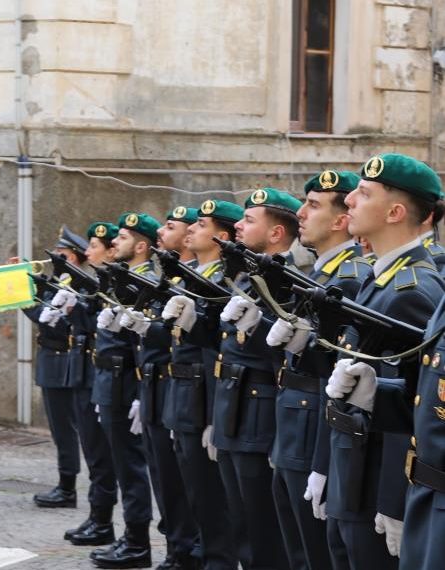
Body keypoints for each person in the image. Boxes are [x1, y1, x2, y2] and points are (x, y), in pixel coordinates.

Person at [166, 188, 300, 570]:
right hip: (231, 409)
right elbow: (222, 346)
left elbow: (289, 359)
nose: (239, 225)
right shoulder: (249, 275)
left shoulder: (288, 280)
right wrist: (192, 324)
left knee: (263, 534)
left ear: (275, 233)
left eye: (249, 220)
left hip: (258, 414)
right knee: (243, 527)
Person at [321, 154, 445, 569]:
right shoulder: (381, 277)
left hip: (376, 481)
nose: (349, 200)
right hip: (355, 470)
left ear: (395, 213)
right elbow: (415, 392)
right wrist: (373, 393)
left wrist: (392, 500)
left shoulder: (414, 290)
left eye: (363, 193)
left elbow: (425, 413)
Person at [265, 170, 372, 570]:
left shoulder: (350, 278)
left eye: (312, 205)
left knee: (315, 552)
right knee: (298, 548)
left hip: (315, 427)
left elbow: (339, 371)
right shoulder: (320, 273)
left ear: (341, 219)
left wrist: (322, 462)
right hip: (296, 422)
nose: (300, 214)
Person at [162, 199, 244, 570]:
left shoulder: (223, 282)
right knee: (194, 495)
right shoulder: (191, 276)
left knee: (213, 503)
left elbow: (217, 354)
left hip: (203, 400)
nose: (192, 229)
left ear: (221, 237)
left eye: (202, 225)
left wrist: (213, 414)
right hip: (182, 397)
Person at [120, 206, 199, 570]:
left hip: (175, 387)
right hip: (153, 386)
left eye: (170, 227)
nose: (161, 235)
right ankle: (175, 550)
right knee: (164, 480)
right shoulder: (170, 278)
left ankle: (184, 552)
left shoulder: (192, 281)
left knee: (181, 485)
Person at [89, 212, 160, 569]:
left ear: (142, 246)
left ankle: (137, 542)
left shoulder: (145, 283)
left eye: (123, 237)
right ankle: (129, 537)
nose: (115, 242)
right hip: (110, 382)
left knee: (131, 468)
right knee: (121, 464)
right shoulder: (124, 278)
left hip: (126, 384)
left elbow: (143, 347)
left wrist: (139, 394)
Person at [61, 222, 120, 547]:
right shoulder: (95, 283)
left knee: (102, 455)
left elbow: (99, 330)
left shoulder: (111, 284)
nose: (88, 251)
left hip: (100, 375)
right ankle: (98, 517)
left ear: (110, 252)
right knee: (94, 454)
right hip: (85, 373)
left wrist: (76, 307)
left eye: (94, 246)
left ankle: (103, 521)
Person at [25, 225, 88, 509]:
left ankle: (67, 488)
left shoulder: (77, 287)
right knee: (59, 428)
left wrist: (26, 302)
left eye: (60, 252)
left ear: (72, 257)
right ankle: (66, 485)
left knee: (65, 429)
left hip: (63, 361)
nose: (54, 256)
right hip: (51, 360)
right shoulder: (59, 283)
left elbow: (54, 323)